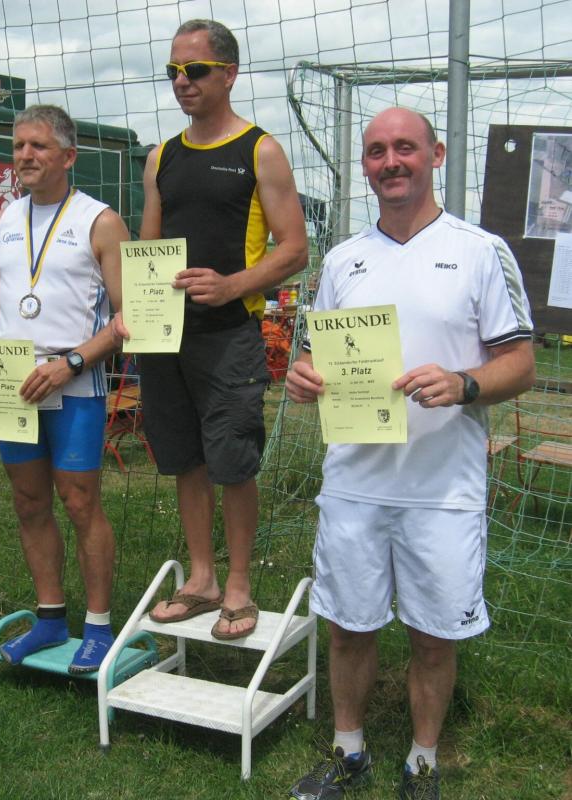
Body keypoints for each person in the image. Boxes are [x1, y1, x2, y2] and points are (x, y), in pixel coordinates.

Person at [285, 107, 535, 799]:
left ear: (436, 155)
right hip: (355, 484)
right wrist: (302, 378)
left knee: (433, 636)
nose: (390, 162)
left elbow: (521, 362)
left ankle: (422, 762)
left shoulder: (480, 251)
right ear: (365, 166)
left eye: (404, 147)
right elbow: (311, 359)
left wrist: (464, 384)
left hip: (442, 488)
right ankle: (349, 751)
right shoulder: (343, 260)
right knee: (347, 628)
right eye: (376, 151)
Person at [116, 19, 307, 639]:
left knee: (233, 461)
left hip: (229, 334)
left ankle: (239, 586)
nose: (182, 81)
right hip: (165, 338)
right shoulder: (161, 157)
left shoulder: (260, 150)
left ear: (228, 74)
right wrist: (134, 309)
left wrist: (231, 285)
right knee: (184, 459)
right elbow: (148, 249)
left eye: (194, 70)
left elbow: (295, 248)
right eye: (173, 70)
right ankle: (201, 579)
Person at [0, 105, 129, 674]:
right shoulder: (6, 217)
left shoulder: (100, 220)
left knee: (80, 502)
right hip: (13, 386)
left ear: (68, 156)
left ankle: (99, 627)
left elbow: (129, 316)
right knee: (29, 502)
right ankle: (51, 617)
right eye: (18, 146)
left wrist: (72, 362)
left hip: (73, 384)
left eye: (38, 146)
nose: (25, 156)